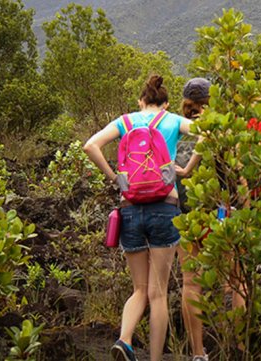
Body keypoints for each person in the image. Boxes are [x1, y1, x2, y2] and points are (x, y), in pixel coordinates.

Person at [83, 75, 197, 361]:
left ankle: (125, 339)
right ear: (166, 103)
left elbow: (90, 146)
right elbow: (210, 133)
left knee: (139, 289)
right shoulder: (172, 120)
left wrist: (114, 178)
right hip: (165, 207)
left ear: (140, 101)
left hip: (130, 208)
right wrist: (185, 168)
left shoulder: (125, 121)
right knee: (158, 293)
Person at [176, 77, 210, 361]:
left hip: (183, 215)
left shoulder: (175, 127)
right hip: (218, 213)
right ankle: (236, 347)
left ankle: (198, 353)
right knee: (231, 280)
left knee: (191, 282)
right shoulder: (218, 128)